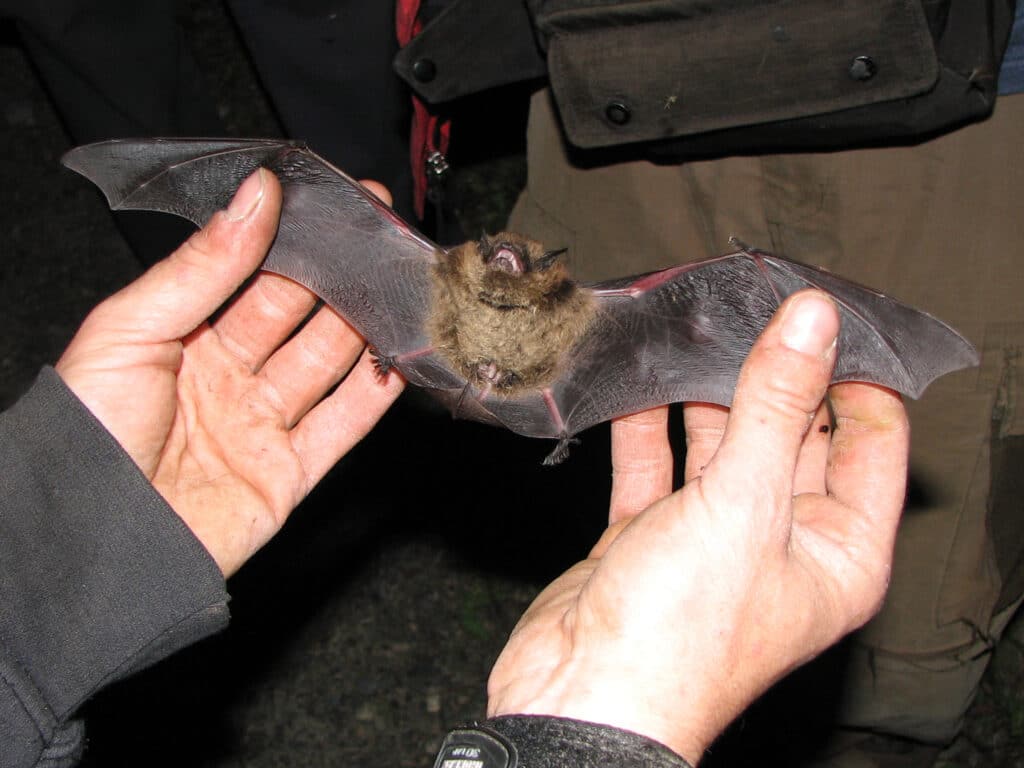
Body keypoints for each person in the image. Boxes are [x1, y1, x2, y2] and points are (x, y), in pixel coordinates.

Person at [0, 170, 908, 766]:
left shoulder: (589, 314)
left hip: (547, 389)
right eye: (492, 252)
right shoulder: (426, 278)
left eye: (522, 258)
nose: (506, 257)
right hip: (440, 366)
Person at [395, 2, 1024, 763]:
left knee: (903, 542)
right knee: (649, 447)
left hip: (954, 82)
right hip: (609, 61)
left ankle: (865, 725)